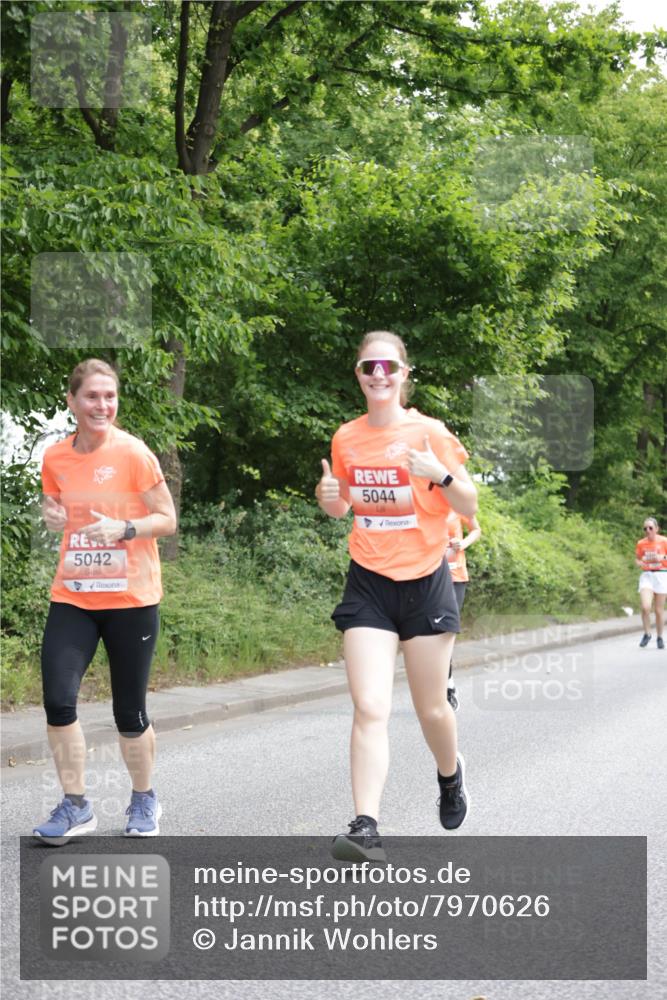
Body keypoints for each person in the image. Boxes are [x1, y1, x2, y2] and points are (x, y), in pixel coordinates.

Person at [316, 331, 478, 862]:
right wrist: (329, 499)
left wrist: (441, 473)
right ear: (359, 374)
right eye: (369, 367)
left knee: (432, 708)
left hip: (426, 579)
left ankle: (450, 778)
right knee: (370, 706)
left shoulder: (429, 431)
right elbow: (345, 506)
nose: (378, 374)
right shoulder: (347, 437)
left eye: (388, 366)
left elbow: (468, 500)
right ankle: (366, 826)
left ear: (405, 373)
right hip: (368, 581)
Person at [33, 359, 177, 844]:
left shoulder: (134, 454)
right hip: (73, 595)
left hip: (131, 599)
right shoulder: (55, 457)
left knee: (129, 712)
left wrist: (127, 528)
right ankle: (75, 806)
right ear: (72, 401)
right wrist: (52, 516)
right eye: (92, 396)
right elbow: (56, 512)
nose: (102, 405)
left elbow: (167, 518)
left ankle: (143, 798)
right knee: (57, 700)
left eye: (109, 396)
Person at [444, 510, 482, 712]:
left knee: (446, 632)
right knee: (429, 634)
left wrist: (463, 543)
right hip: (426, 577)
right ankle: (437, 686)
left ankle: (447, 685)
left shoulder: (457, 502)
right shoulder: (421, 500)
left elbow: (476, 530)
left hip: (455, 576)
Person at [635, 516, 667, 650]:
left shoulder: (664, 541)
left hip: (661, 574)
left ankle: (659, 637)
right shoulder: (641, 543)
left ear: (656, 529)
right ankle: (647, 633)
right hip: (647, 575)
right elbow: (637, 559)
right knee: (645, 607)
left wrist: (663, 557)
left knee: (659, 611)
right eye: (645, 528)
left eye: (650, 528)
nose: (647, 530)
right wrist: (640, 563)